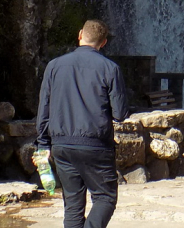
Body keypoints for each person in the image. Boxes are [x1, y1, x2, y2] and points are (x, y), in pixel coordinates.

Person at [35, 20, 129, 228]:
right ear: (103, 43)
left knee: (73, 207)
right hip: (96, 146)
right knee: (105, 198)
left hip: (61, 145)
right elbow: (120, 114)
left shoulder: (54, 66)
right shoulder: (110, 68)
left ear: (80, 34)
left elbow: (44, 108)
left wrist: (43, 145)